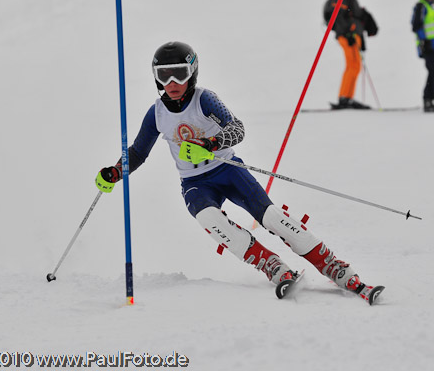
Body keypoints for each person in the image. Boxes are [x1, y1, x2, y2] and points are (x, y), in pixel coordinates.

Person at [96, 41, 383, 304]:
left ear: (192, 72)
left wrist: (210, 144)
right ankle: (271, 265)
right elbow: (137, 153)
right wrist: (115, 172)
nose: (172, 83)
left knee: (272, 217)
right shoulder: (156, 113)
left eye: (180, 74)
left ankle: (334, 266)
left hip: (228, 170)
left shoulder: (204, 99)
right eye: (164, 75)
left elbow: (237, 128)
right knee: (209, 219)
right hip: (195, 183)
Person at [327, 0, 378, 110]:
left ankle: (347, 97)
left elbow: (353, 16)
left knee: (354, 65)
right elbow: (339, 15)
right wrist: (348, 32)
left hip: (353, 36)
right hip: (347, 36)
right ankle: (344, 97)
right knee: (353, 65)